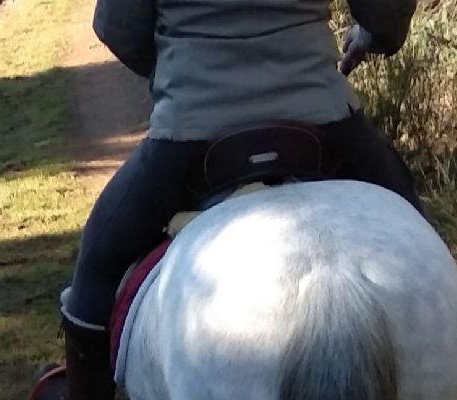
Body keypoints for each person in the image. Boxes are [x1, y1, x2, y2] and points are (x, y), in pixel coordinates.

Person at [58, 0, 424, 398]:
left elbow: (117, 28)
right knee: (420, 239)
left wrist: (180, 69)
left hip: (190, 128)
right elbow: (386, 13)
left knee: (96, 269)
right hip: (321, 116)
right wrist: (369, 37)